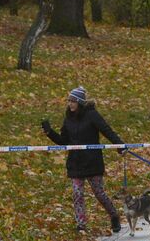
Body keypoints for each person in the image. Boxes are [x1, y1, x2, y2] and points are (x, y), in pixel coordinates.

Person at [42, 86, 124, 233]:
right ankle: (81, 225)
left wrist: (120, 145)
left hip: (92, 161)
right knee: (77, 193)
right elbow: (63, 141)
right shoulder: (68, 118)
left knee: (99, 193)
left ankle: (114, 215)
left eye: (72, 101)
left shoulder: (92, 115)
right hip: (75, 163)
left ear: (79, 102)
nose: (70, 104)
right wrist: (49, 132)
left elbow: (107, 130)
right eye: (68, 101)